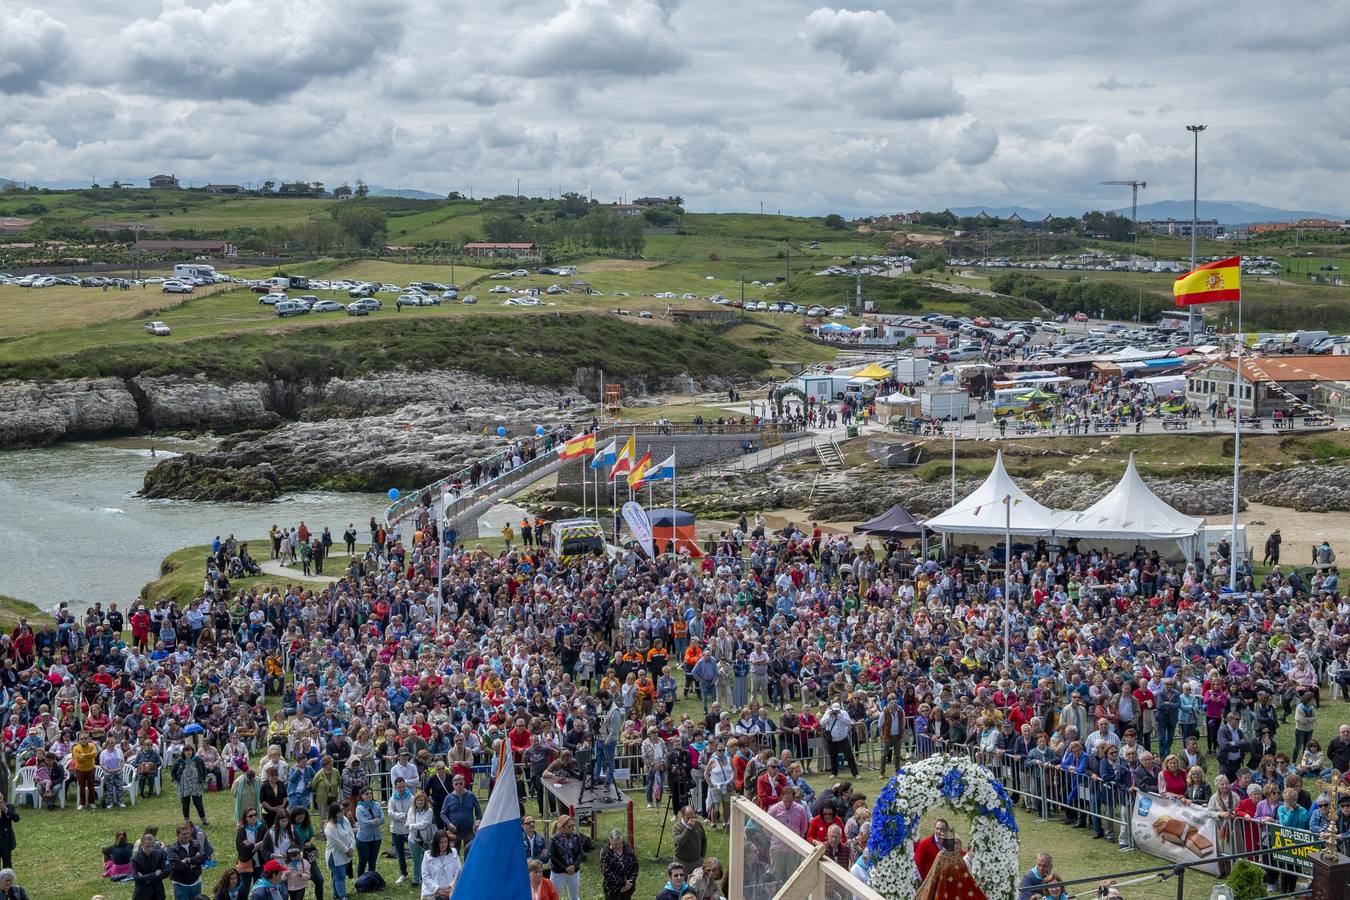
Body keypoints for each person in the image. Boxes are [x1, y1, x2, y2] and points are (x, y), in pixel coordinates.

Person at [439, 775, 481, 853]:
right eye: (456, 784)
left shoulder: (471, 795)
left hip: (469, 830)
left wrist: (477, 822)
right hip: (454, 830)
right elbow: (442, 814)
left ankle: (468, 865)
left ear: (464, 783)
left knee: (470, 851)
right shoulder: (448, 798)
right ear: (453, 785)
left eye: (460, 783)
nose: (459, 786)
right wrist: (448, 823)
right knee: (453, 852)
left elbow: (478, 810)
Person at [168, 821, 209, 900]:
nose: (186, 836)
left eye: (188, 833)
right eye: (183, 834)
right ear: (177, 835)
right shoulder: (172, 849)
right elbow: (177, 866)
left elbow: (203, 858)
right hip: (180, 884)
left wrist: (187, 860)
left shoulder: (196, 844)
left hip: (196, 882)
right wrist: (194, 862)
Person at [323, 803, 355, 900]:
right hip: (335, 855)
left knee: (338, 875)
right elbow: (337, 842)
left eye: (342, 810)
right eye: (341, 811)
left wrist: (352, 846)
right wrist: (346, 850)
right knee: (340, 875)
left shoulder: (344, 820)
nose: (343, 812)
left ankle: (336, 894)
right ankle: (342, 896)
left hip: (346, 852)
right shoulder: (329, 827)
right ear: (335, 813)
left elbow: (351, 834)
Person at [549, 815, 584, 900]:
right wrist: (565, 869)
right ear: (561, 827)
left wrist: (574, 866)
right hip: (558, 873)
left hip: (574, 872)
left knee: (574, 897)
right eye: (569, 826)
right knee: (555, 897)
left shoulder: (575, 837)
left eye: (573, 825)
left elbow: (581, 853)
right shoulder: (554, 840)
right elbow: (553, 857)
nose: (572, 828)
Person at [419, 829, 462, 900]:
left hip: (450, 890)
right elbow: (425, 876)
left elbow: (458, 871)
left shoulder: (453, 853)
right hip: (432, 892)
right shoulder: (427, 856)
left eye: (446, 842)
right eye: (441, 842)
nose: (444, 845)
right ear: (436, 843)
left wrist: (451, 886)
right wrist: (436, 889)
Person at [174, 745, 210, 827]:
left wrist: (203, 779)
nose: (188, 752)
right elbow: (173, 771)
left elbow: (204, 770)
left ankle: (204, 819)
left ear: (192, 751)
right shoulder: (180, 760)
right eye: (186, 751)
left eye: (190, 750)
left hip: (196, 784)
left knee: (198, 802)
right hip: (184, 785)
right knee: (185, 803)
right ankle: (186, 820)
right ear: (183, 752)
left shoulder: (197, 759)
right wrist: (177, 780)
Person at [388, 776, 414, 885]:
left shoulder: (412, 798)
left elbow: (412, 813)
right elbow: (390, 814)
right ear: (396, 788)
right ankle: (403, 873)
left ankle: (418, 874)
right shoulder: (392, 799)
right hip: (396, 831)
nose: (402, 789)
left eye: (403, 786)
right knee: (400, 854)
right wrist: (404, 815)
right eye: (399, 787)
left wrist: (400, 816)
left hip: (409, 830)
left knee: (415, 853)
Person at [353, 786, 384, 877]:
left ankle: (371, 880)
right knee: (363, 861)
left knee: (372, 861)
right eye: (367, 794)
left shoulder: (376, 804)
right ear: (362, 795)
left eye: (371, 793)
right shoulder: (359, 808)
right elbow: (363, 823)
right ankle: (360, 881)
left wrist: (371, 821)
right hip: (363, 839)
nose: (369, 795)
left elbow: (383, 819)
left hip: (376, 837)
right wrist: (374, 821)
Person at [600, 829, 639, 900]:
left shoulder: (627, 848)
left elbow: (635, 865)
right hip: (612, 889)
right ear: (610, 841)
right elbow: (607, 872)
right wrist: (623, 883)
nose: (618, 846)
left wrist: (630, 881)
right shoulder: (605, 853)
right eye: (615, 844)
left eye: (620, 843)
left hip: (628, 888)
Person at [822, 702, 859, 777]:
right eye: (834, 710)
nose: (835, 712)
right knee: (833, 757)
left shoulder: (844, 713)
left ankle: (855, 774)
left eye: (837, 710)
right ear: (832, 709)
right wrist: (828, 717)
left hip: (843, 738)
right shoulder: (827, 713)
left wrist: (839, 716)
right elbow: (821, 723)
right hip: (832, 740)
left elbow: (850, 722)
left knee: (849, 756)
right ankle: (834, 773)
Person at [133, 832, 171, 900]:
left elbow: (166, 872)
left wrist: (145, 878)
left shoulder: (159, 854)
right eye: (147, 846)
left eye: (152, 846)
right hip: (142, 895)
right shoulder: (135, 859)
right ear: (142, 845)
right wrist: (154, 874)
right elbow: (137, 878)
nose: (150, 849)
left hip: (158, 893)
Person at [673, 805, 706, 871]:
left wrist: (702, 856)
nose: (691, 820)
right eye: (688, 818)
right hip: (682, 862)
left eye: (693, 817)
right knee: (681, 881)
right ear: (682, 816)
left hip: (697, 862)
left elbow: (704, 840)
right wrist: (688, 828)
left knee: (697, 881)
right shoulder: (677, 827)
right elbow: (679, 842)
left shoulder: (698, 824)